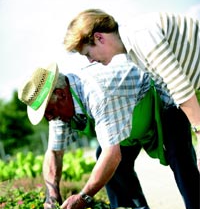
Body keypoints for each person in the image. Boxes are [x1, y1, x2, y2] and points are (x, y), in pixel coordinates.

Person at [18, 54, 200, 209]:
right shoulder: (60, 110)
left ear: (61, 94)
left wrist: (83, 197)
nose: (50, 118)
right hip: (128, 122)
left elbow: (112, 155)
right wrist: (52, 195)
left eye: (49, 111)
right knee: (106, 161)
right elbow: (54, 153)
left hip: (160, 101)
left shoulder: (96, 92)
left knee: (180, 160)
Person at [64, 9, 200, 171]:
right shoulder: (133, 54)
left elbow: (179, 86)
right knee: (175, 148)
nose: (91, 60)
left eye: (88, 53)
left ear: (99, 38)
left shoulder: (140, 35)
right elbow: (167, 94)